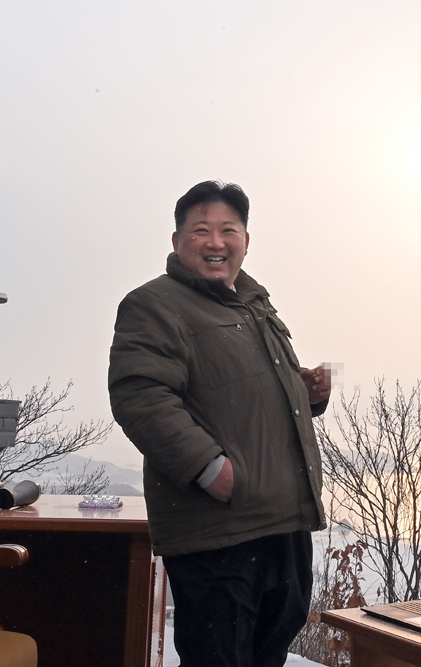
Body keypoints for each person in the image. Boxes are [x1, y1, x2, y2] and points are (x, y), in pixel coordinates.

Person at [108, 180, 330, 667]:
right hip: (217, 531)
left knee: (267, 653)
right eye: (201, 230)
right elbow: (140, 395)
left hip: (283, 523)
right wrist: (212, 470)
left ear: (246, 241)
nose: (216, 242)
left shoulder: (253, 303)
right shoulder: (155, 304)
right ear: (177, 241)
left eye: (228, 230)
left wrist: (304, 392)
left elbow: (238, 389)